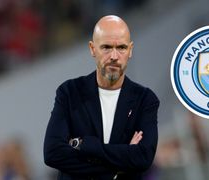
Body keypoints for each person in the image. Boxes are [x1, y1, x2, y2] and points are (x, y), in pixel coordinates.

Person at [44, 15, 160, 180]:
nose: (114, 56)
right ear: (92, 49)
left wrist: (86, 145)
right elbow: (52, 153)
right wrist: (119, 163)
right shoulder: (69, 92)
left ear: (130, 50)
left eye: (121, 47)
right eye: (106, 47)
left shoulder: (145, 99)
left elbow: (142, 157)